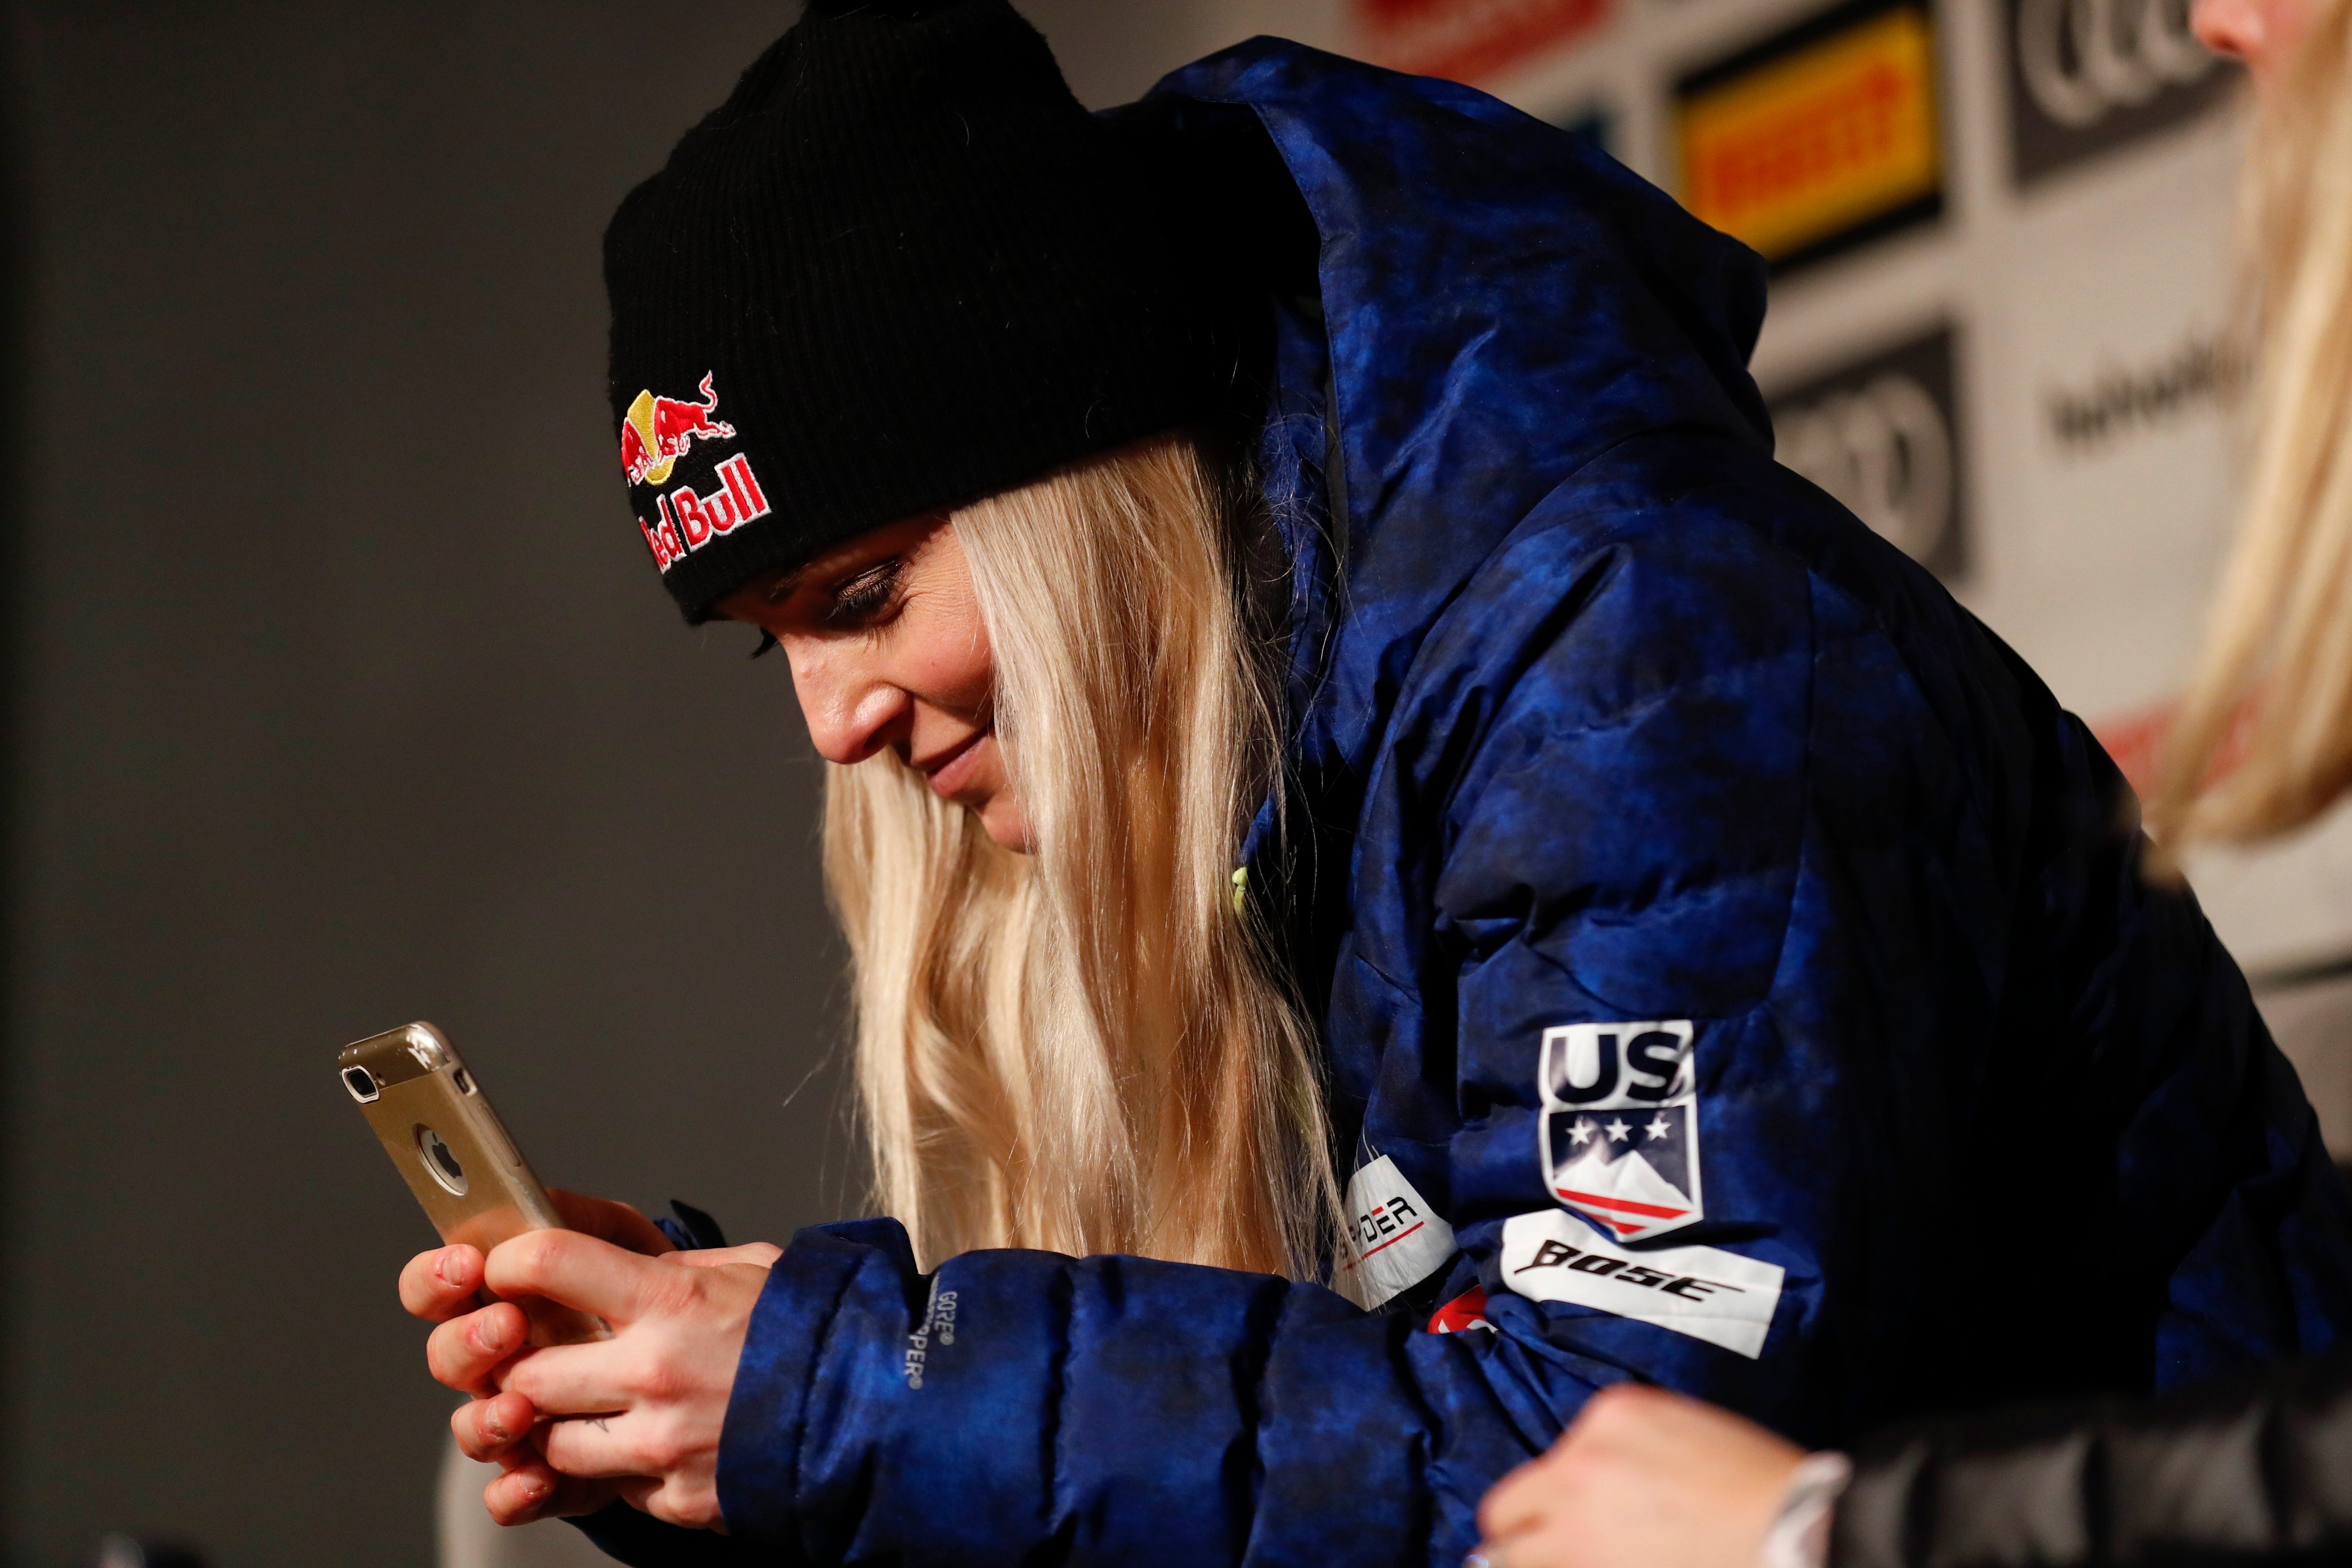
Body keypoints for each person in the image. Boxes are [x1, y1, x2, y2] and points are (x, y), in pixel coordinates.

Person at [389, 2, 2352, 1564]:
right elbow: (1297, 1478)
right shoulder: (1294, 737)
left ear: (1079, 488)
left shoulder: (1646, 655)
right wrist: (733, 1442)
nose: (833, 723)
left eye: (869, 593)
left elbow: (1597, 1490)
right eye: (773, 643)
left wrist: (851, 1397)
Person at [1469, 0, 2352, 1563]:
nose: (2215, 18)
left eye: (882, 596)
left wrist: (1824, 1533)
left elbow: (1609, 1396)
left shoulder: (1676, 637)